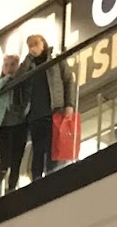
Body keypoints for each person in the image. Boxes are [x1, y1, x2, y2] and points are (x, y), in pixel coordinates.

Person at [17, 33, 76, 182]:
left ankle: (52, 180)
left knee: (53, 150)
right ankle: (36, 182)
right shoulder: (29, 65)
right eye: (30, 45)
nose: (33, 48)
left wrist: (69, 104)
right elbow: (18, 79)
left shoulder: (56, 59)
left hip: (54, 111)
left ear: (43, 43)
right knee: (38, 151)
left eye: (36, 43)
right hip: (35, 116)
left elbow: (68, 80)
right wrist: (29, 58)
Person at [0, 53, 26, 197]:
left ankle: (11, 190)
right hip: (4, 126)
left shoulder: (22, 80)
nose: (9, 68)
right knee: (5, 161)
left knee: (16, 161)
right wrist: (4, 81)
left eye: (12, 65)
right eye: (6, 65)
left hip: (20, 124)